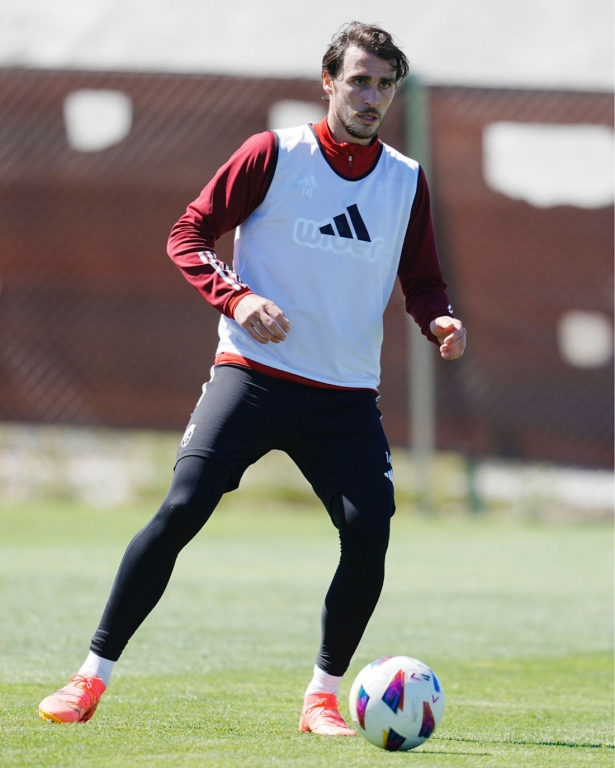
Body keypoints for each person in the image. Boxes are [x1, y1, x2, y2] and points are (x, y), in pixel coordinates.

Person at [39, 21, 466, 734]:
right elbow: (188, 234)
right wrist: (238, 297)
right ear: (328, 81)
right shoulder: (273, 154)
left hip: (346, 398)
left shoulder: (405, 179)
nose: (371, 96)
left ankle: (321, 699)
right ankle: (89, 679)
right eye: (358, 80)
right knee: (182, 507)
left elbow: (422, 281)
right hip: (254, 376)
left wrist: (439, 321)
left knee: (369, 536)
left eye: (384, 84)